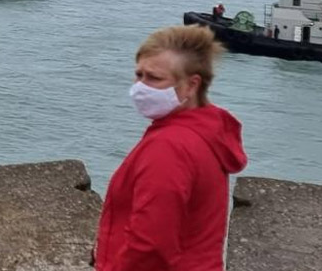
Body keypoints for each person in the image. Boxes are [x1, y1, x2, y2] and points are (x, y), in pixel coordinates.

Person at [94, 25, 247, 271]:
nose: (140, 87)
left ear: (191, 85)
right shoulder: (207, 134)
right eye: (139, 74)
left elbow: (150, 246)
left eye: (154, 78)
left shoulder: (169, 148)